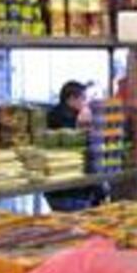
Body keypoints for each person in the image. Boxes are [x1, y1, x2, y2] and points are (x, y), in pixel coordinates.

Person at [45, 81, 100, 211]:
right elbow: (80, 149)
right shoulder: (69, 119)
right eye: (83, 98)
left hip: (55, 187)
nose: (85, 102)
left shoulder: (53, 114)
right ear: (71, 99)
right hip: (70, 188)